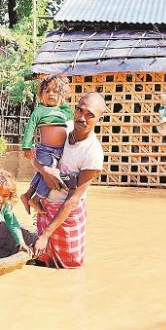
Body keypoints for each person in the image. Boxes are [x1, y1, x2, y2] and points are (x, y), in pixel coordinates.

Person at [31, 92, 107, 268]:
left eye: (90, 115)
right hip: (45, 208)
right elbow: (35, 157)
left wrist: (45, 235)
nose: (82, 117)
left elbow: (73, 199)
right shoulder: (63, 128)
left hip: (68, 216)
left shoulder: (93, 153)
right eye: (80, 110)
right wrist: (45, 171)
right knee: (42, 263)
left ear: (99, 120)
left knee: (70, 267)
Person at [19, 75, 74, 215]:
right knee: (50, 171)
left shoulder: (65, 111)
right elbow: (30, 127)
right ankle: (36, 199)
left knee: (43, 173)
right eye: (46, 91)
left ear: (62, 95)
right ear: (41, 95)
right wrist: (27, 146)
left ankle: (27, 195)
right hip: (45, 150)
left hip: (60, 151)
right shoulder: (40, 110)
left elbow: (75, 123)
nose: (50, 94)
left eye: (55, 91)